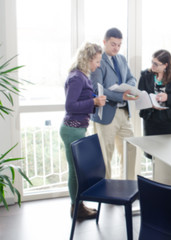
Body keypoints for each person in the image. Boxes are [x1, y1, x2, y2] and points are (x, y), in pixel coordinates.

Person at [60, 42, 106, 220]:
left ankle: (78, 205)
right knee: (75, 171)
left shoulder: (80, 76)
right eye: (96, 61)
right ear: (87, 59)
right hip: (72, 130)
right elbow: (70, 105)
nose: (98, 65)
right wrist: (93, 102)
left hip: (77, 128)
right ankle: (77, 208)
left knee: (77, 171)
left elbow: (79, 99)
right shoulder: (77, 77)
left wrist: (94, 99)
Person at [90, 28, 138, 179]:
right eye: (113, 44)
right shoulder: (98, 61)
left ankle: (129, 185)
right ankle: (106, 189)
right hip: (106, 114)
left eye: (119, 45)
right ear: (104, 42)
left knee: (130, 149)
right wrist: (120, 95)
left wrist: (129, 87)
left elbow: (132, 78)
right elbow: (97, 88)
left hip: (124, 113)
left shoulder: (122, 59)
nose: (116, 48)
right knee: (106, 154)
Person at [138, 49, 171, 158]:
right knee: (152, 154)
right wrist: (149, 102)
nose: (153, 66)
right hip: (151, 120)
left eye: (156, 64)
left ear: (165, 65)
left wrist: (168, 97)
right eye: (152, 62)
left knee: (170, 153)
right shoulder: (145, 75)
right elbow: (140, 96)